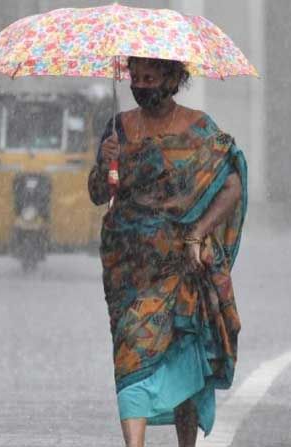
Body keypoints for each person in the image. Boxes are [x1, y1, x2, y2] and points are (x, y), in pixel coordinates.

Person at [87, 57, 247, 447]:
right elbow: (96, 193)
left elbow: (231, 188)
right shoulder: (117, 129)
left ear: (173, 79)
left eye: (150, 77)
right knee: (130, 357)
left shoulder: (199, 129)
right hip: (129, 270)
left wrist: (197, 234)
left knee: (183, 357)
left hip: (182, 267)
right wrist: (106, 162)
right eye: (135, 78)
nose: (140, 85)